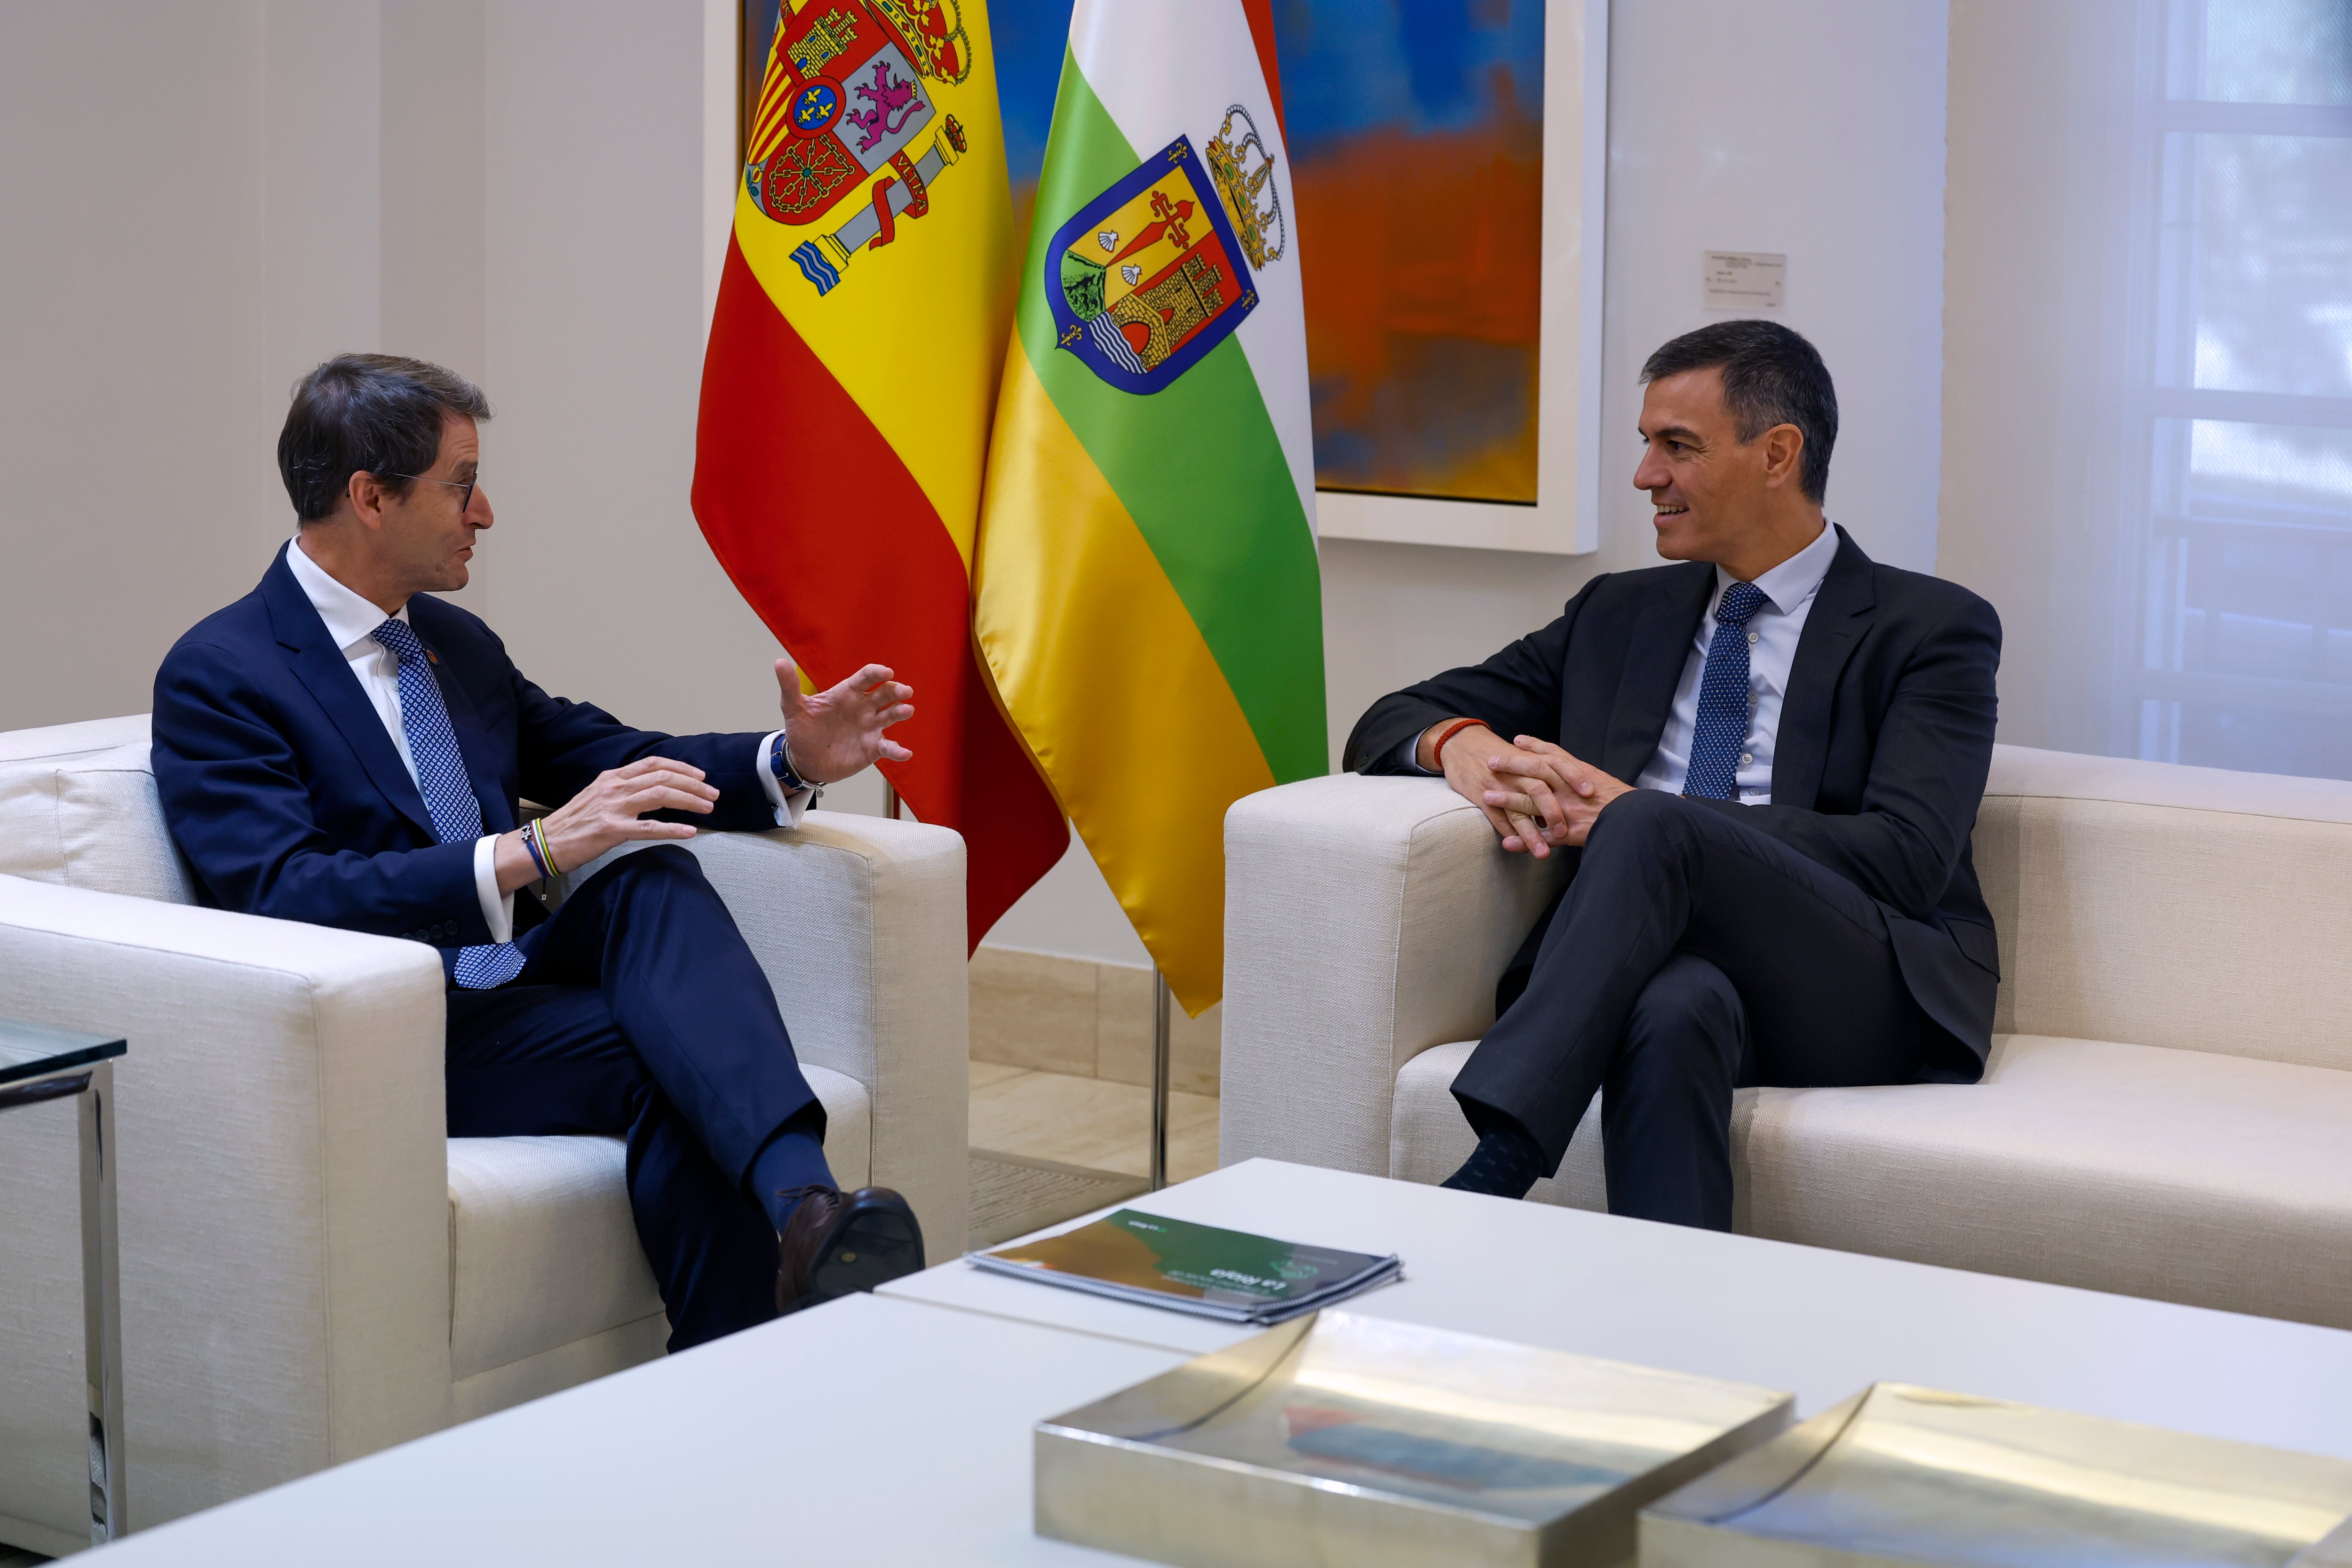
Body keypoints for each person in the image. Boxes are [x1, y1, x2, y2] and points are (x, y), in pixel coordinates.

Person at [153, 353, 927, 1350]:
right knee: (670, 1062)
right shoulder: (224, 671)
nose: (485, 513)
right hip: (394, 1027)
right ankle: (750, 1340)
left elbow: (611, 756)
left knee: (650, 871)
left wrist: (790, 756)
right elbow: (284, 888)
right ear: (370, 497)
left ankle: (805, 1217)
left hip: (509, 984)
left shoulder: (455, 644)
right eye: (461, 485)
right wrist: (529, 850)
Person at [1346, 320, 2001, 1230]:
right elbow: (1388, 717)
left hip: (1858, 978)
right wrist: (1459, 742)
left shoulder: (1932, 629)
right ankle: (1670, 1321)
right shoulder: (1620, 612)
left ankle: (1500, 1162)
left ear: (1777, 454)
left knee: (1651, 821)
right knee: (1673, 1006)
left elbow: (1907, 860)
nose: (1645, 476)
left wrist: (1648, 816)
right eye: (1646, 445)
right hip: (1667, 965)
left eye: (1677, 447)